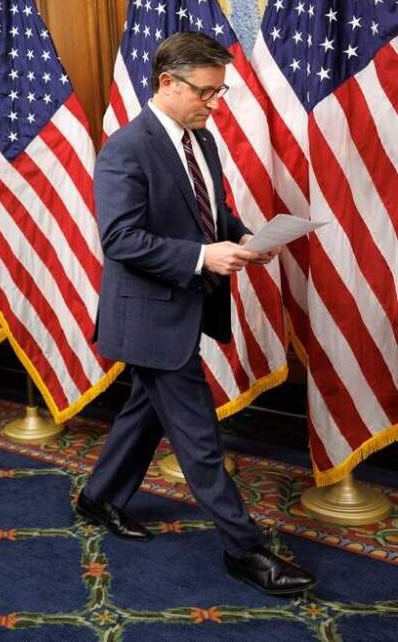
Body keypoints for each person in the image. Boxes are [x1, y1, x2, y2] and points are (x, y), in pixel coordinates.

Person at [77, 32, 315, 596]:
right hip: (150, 316)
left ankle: (99, 497)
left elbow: (213, 211)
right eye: (207, 92)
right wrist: (203, 256)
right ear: (167, 82)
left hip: (187, 304)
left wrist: (246, 236)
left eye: (219, 91)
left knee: (144, 410)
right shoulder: (125, 148)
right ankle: (246, 550)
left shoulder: (200, 140)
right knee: (199, 437)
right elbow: (120, 239)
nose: (214, 103)